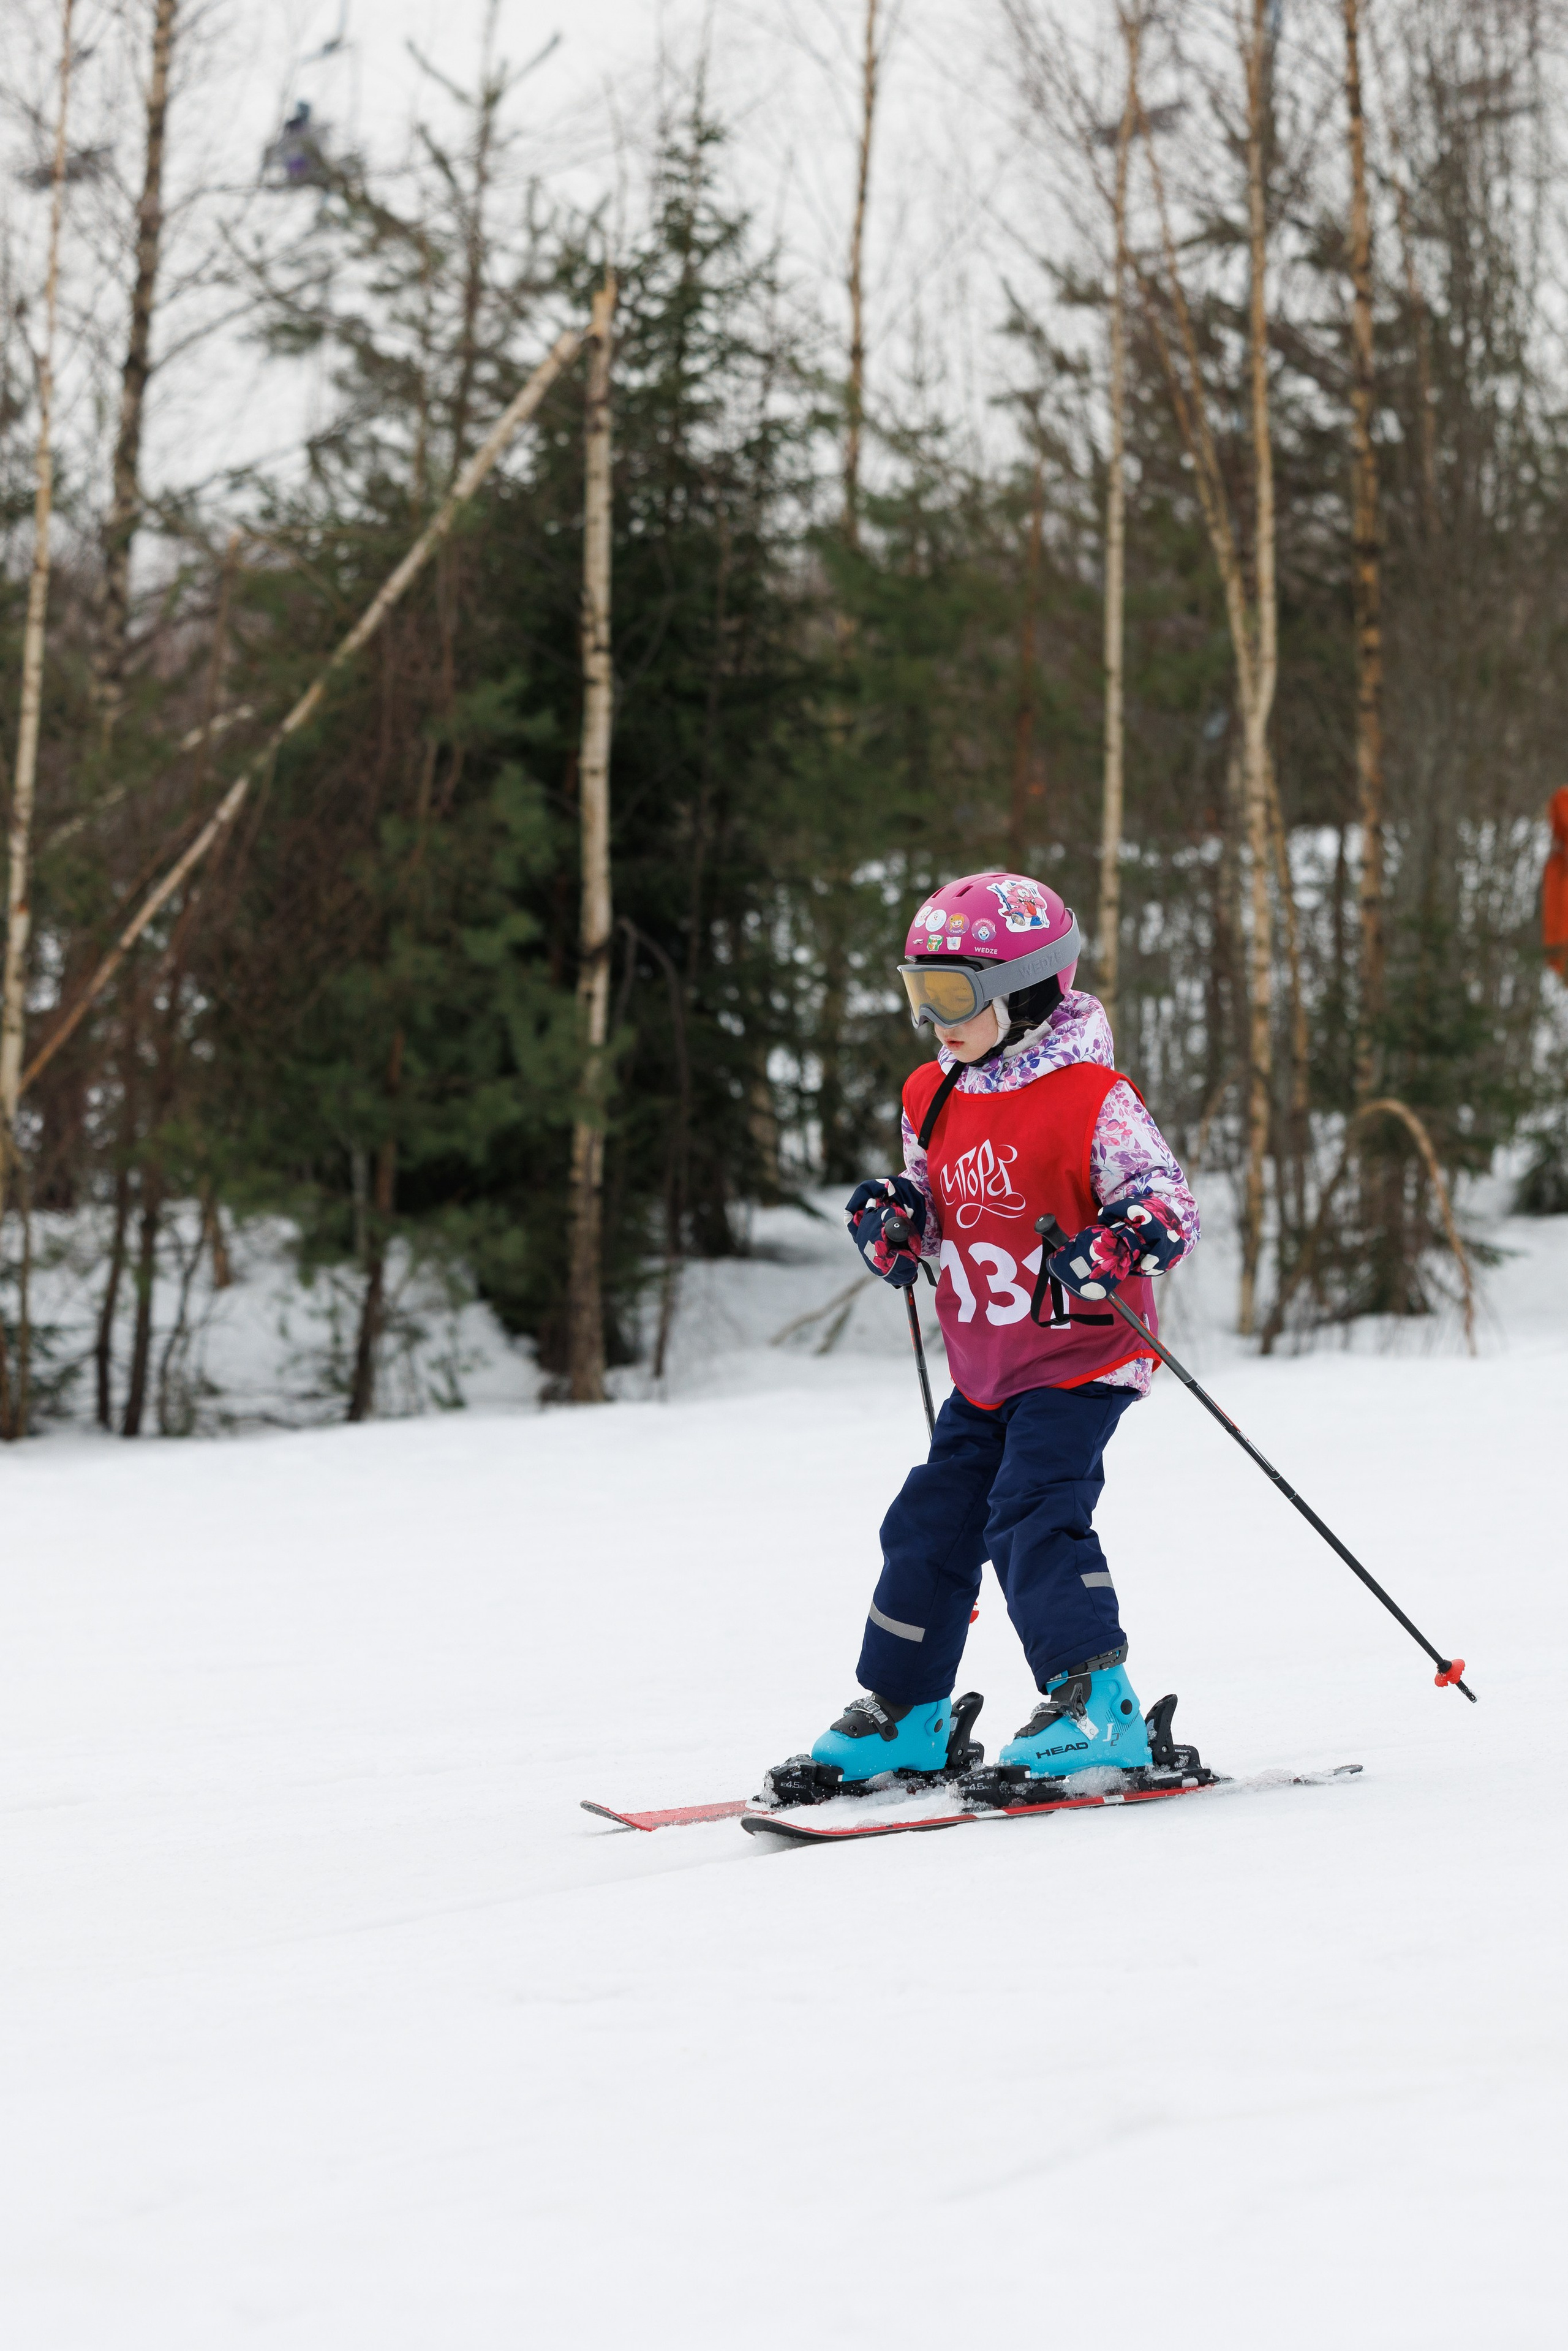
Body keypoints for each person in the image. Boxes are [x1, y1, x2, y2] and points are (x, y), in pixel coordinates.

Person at [804, 869, 1199, 1786]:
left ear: (1024, 990)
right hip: (987, 1365)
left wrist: (1116, 1243)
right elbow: (940, 1205)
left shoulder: (1093, 1098)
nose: (935, 1017)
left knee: (1031, 1509)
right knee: (930, 1523)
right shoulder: (932, 1095)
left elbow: (1166, 1202)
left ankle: (1099, 1707)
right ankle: (908, 1712)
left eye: (953, 992)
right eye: (919, 989)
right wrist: (898, 1216)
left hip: (1080, 1356)